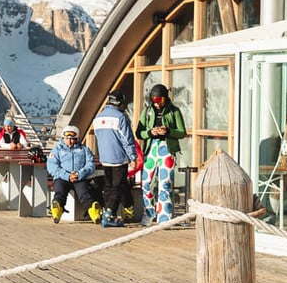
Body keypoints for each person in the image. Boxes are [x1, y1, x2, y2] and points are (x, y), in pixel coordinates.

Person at [136, 83, 188, 225]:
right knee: (146, 183)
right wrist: (149, 132)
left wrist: (168, 131)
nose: (157, 103)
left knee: (165, 184)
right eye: (154, 100)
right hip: (151, 149)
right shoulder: (147, 111)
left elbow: (182, 132)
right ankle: (149, 213)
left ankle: (164, 218)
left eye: (160, 100)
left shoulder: (174, 111)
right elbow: (139, 132)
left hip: (167, 149)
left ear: (165, 98)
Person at [91, 91, 140, 228]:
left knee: (109, 185)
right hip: (119, 157)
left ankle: (121, 208)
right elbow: (127, 139)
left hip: (105, 157)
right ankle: (109, 215)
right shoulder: (120, 118)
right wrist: (133, 157)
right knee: (116, 187)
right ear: (120, 102)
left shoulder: (98, 118)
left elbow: (99, 137)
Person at [45, 127, 96, 223]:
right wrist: (67, 176)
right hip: (62, 177)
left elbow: (90, 165)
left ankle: (93, 211)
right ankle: (57, 209)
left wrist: (79, 174)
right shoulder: (57, 149)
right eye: (67, 138)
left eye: (72, 139)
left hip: (79, 178)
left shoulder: (84, 149)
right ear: (63, 138)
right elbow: (52, 166)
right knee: (60, 192)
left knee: (84, 193)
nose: (69, 141)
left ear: (76, 139)